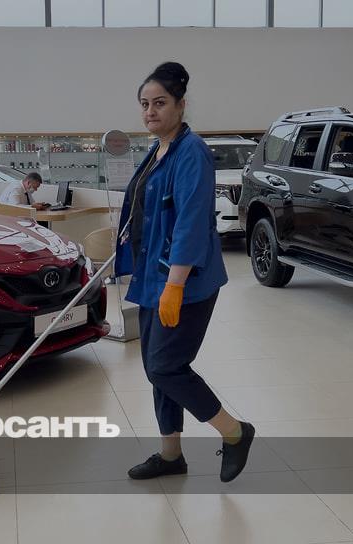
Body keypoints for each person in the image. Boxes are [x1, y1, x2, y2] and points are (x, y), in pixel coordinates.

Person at [115, 62, 255, 483]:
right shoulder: (158, 150)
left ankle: (234, 432)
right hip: (153, 278)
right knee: (156, 369)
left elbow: (191, 222)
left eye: (160, 103)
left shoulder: (191, 151)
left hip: (184, 282)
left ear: (180, 105)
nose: (150, 111)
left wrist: (174, 286)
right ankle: (171, 454)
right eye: (144, 104)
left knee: (165, 367)